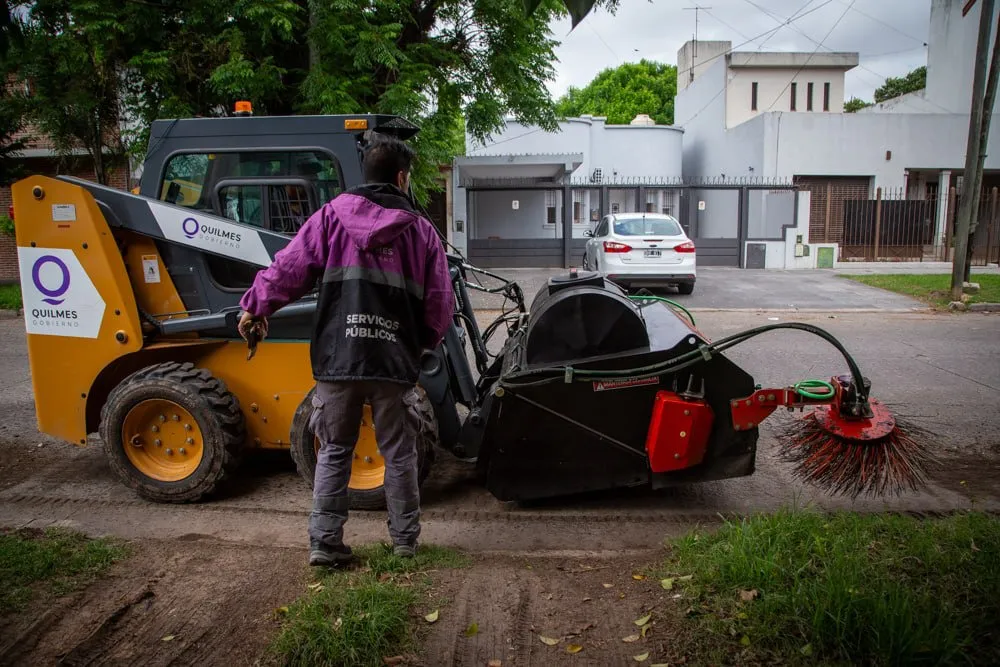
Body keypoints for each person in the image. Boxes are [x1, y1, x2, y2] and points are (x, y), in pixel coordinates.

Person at [237, 135, 455, 566]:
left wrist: (254, 307)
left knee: (334, 449)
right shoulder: (422, 231)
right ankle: (405, 542)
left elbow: (287, 270)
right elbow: (440, 304)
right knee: (399, 452)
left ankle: (325, 543)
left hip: (338, 359)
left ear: (365, 174)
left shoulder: (330, 218)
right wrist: (419, 344)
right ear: (401, 177)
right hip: (393, 363)